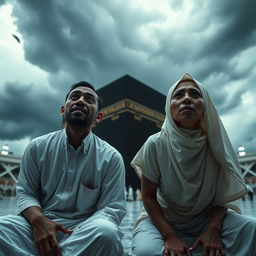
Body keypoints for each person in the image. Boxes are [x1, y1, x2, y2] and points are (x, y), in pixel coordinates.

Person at [131, 74, 256, 256]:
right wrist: (169, 235)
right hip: (163, 221)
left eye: (195, 95)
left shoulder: (216, 144)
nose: (187, 98)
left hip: (207, 218)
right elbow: (149, 197)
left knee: (251, 228)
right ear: (169, 106)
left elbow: (223, 196)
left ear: (205, 105)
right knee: (146, 252)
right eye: (179, 95)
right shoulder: (155, 144)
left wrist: (213, 229)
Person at [0, 81, 126, 256]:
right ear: (62, 110)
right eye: (74, 97)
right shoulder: (37, 147)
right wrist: (39, 221)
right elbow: (25, 192)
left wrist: (81, 230)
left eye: (89, 99)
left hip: (84, 229)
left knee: (106, 233)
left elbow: (112, 208)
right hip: (38, 224)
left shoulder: (111, 157)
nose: (80, 101)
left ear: (98, 117)